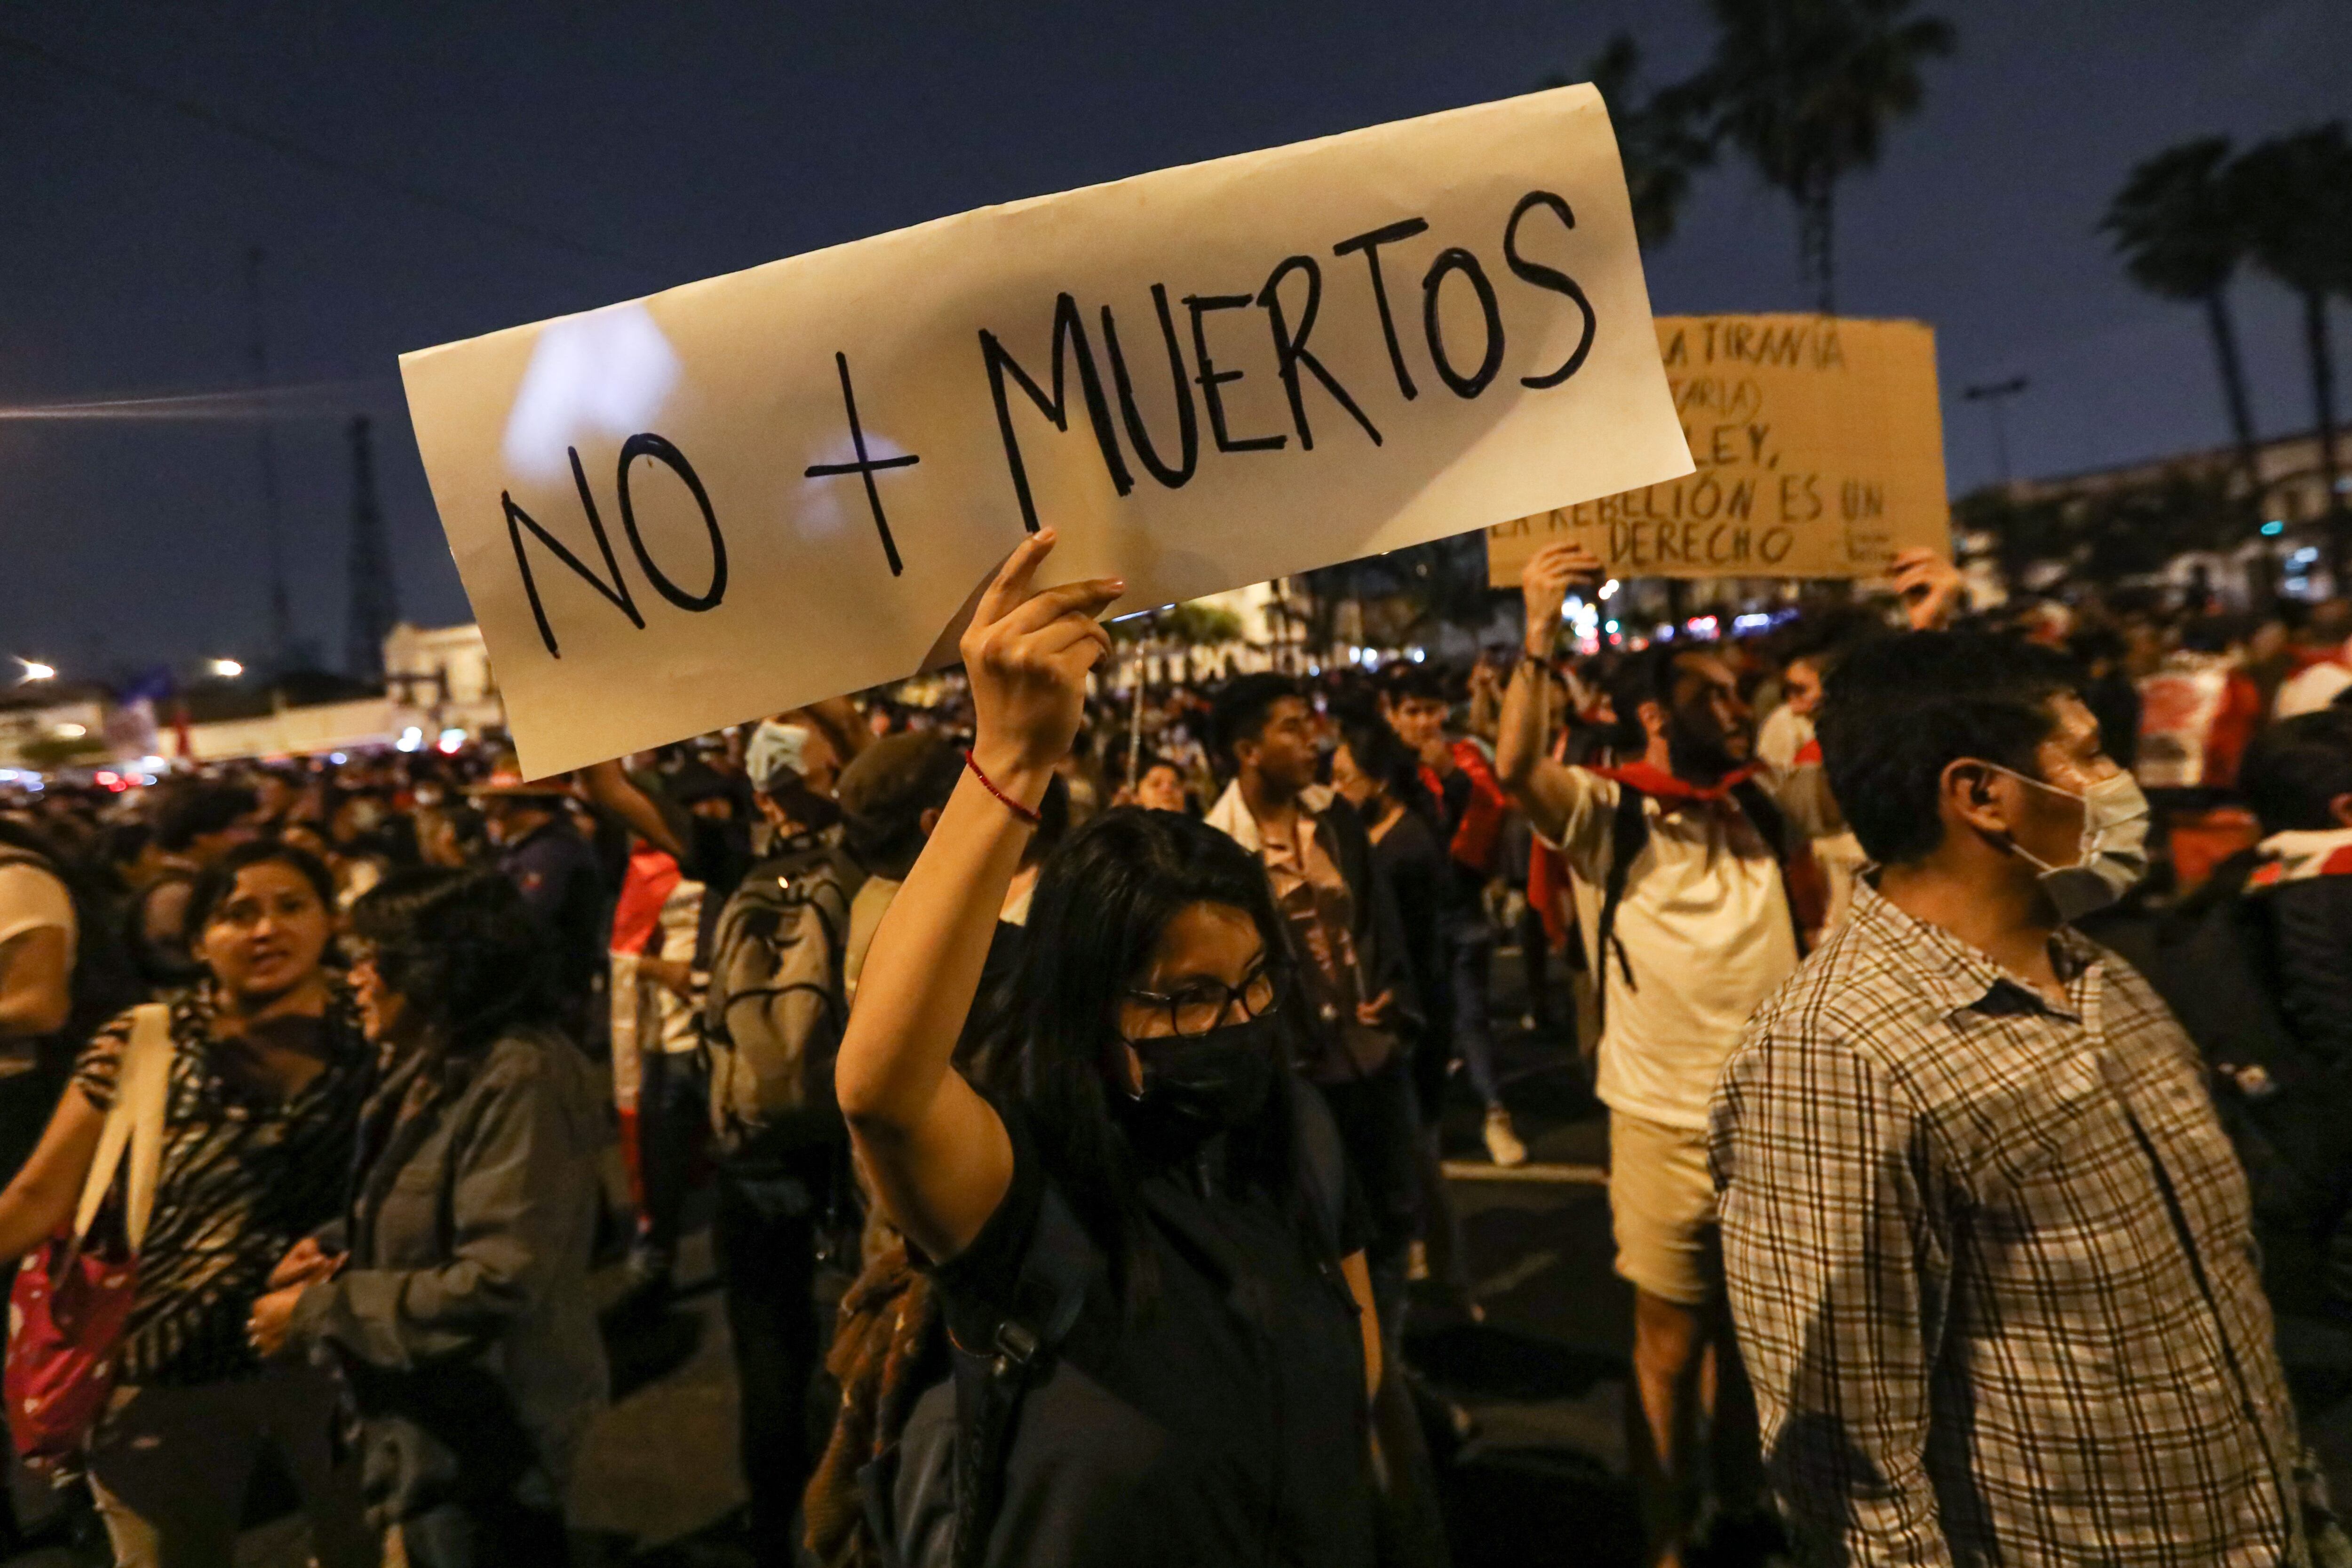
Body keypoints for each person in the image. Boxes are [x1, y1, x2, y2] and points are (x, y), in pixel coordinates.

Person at [1711, 629, 2323, 1564]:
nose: (2122, 783)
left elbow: (2224, 1308)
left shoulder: (2102, 973)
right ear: (1981, 795)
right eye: (2089, 754)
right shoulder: (1837, 1056)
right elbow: (1850, 1469)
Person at [838, 532, 1386, 1568]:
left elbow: (1366, 1402)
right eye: (1185, 999)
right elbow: (880, 1090)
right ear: (1090, 1005)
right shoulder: (1023, 1188)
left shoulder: (1296, 1134)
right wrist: (1012, 760)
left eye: (1252, 983)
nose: (1232, 1023)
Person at [1496, 543, 1839, 1568]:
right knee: (1668, 1341)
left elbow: (1884, 777)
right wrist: (1537, 630)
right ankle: (1665, 1536)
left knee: (1751, 1337)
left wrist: (1925, 627)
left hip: (1775, 1126)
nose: (1737, 708)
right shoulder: (1608, 813)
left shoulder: (1763, 803)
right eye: (1711, 695)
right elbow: (1515, 769)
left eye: (1740, 692)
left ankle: (1737, 1500)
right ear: (1653, 714)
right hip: (1662, 1128)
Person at [0, 841, 374, 1568]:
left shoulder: (373, 1029)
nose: (266, 929)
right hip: (165, 1362)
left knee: (359, 1543)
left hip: (331, 1348)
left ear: (330, 921)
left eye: (291, 907)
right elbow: (40, 1194)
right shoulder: (147, 1040)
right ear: (199, 940)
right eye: (238, 913)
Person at [248, 868, 607, 1567]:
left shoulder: (520, 1076)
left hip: (491, 1436)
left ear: (434, 971)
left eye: (371, 960)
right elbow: (424, 1203)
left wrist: (318, 1312)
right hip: (425, 1425)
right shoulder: (437, 1058)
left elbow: (500, 1277)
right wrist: (335, 1245)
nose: (355, 979)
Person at [1207, 675, 1420, 1358]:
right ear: (1247, 750)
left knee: (1394, 1216)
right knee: (1323, 1230)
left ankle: (1388, 1363)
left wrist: (1391, 989)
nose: (1314, 741)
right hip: (1299, 1076)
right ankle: (1346, 1372)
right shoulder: (1218, 844)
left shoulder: (1334, 818)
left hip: (1370, 1051)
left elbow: (1377, 917)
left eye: (1312, 724)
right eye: (1293, 728)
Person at [700, 732, 868, 1568]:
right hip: (834, 1152)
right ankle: (837, 1528)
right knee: (843, 1357)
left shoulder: (735, 868)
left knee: (765, 1354)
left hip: (748, 1152)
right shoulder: (858, 869)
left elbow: (615, 793)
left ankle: (771, 1528)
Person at [1384, 666, 1520, 1165]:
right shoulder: (1383, 768)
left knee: (1471, 1016)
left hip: (1459, 905)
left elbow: (1485, 815)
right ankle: (1426, 1128)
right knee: (1415, 1026)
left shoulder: (1464, 758)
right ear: (1392, 715)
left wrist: (1450, 777)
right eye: (1412, 711)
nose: (1423, 722)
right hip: (1405, 917)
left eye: (1431, 711)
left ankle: (1494, 1112)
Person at [471, 768, 608, 1035]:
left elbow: (527, 918)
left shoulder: (550, 854)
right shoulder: (527, 849)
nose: (489, 816)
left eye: (494, 806)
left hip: (554, 991)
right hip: (542, 987)